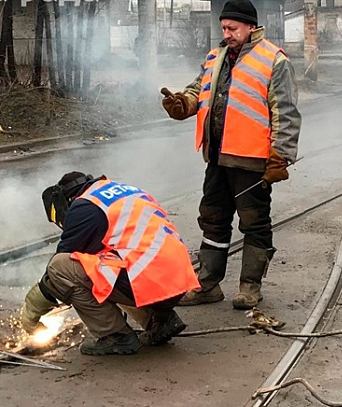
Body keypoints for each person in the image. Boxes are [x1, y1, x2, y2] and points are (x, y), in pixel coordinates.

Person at [160, 0, 301, 310]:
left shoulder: (273, 60)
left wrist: (280, 156)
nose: (226, 33)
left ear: (251, 26)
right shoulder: (216, 56)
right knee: (213, 219)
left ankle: (250, 287)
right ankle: (208, 284)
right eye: (223, 28)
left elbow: (286, 112)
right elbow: (199, 89)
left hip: (252, 161)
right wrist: (183, 103)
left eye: (232, 28)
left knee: (254, 223)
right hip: (218, 157)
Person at [19, 172, 200, 356]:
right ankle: (159, 320)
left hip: (150, 282)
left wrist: (32, 307)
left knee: (61, 267)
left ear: (66, 200)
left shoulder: (84, 207)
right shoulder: (120, 192)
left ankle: (117, 337)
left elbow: (58, 271)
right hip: (178, 280)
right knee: (102, 263)